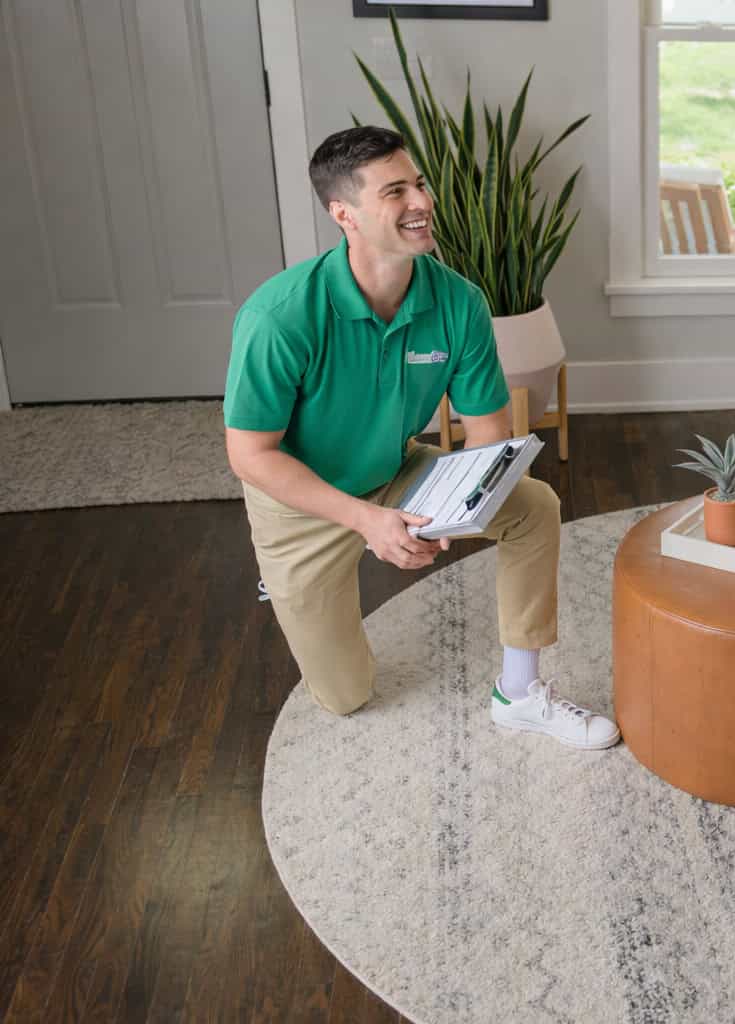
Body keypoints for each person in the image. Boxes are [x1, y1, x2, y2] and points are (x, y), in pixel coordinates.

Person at [224, 125, 618, 750]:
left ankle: (518, 692)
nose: (421, 202)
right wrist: (367, 524)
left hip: (395, 469)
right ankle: (285, 576)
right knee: (346, 696)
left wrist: (463, 509)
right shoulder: (279, 317)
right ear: (344, 214)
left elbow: (489, 431)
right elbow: (249, 455)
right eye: (395, 191)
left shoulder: (457, 301)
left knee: (534, 506)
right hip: (300, 503)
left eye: (421, 183)